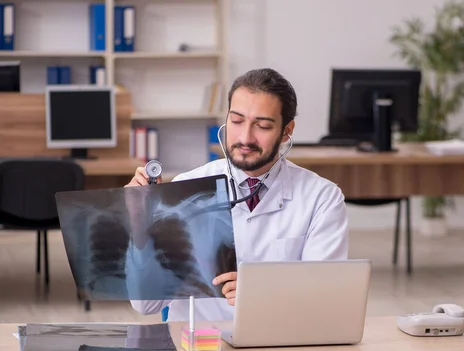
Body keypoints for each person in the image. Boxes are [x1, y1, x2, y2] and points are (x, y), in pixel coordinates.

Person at [126, 68, 349, 321]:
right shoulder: (186, 187)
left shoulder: (322, 198)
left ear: (287, 131)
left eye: (262, 125)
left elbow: (327, 300)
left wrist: (264, 293)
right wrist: (140, 226)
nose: (245, 137)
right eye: (236, 121)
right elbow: (146, 305)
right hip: (199, 348)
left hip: (278, 344)